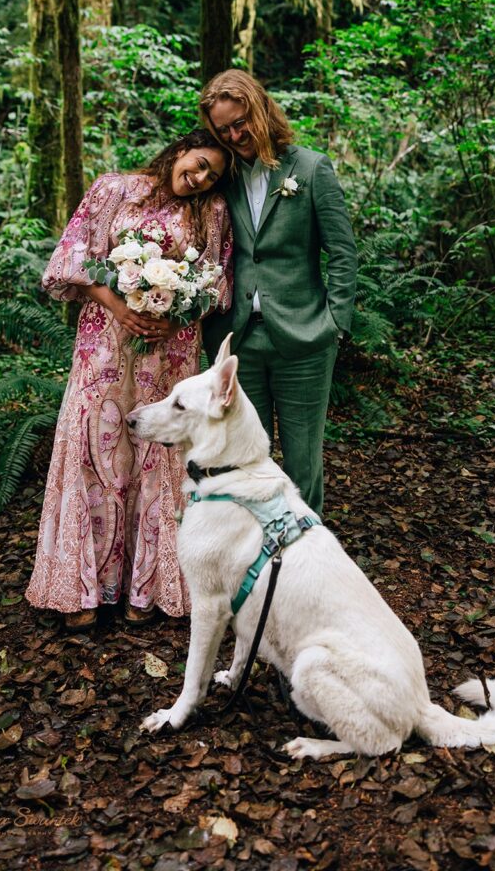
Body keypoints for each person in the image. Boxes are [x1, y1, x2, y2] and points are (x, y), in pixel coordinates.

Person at [25, 129, 233, 629]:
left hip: (171, 351)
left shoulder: (212, 213)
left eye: (211, 175)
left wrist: (179, 313)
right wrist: (121, 304)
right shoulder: (113, 189)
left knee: (158, 454)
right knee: (97, 448)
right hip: (106, 343)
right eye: (199, 163)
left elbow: (218, 280)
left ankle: (149, 589)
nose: (200, 177)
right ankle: (81, 592)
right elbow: (72, 259)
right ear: (180, 150)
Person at [199, 70, 357, 517]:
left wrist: (334, 325)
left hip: (304, 340)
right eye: (223, 129)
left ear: (260, 109)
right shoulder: (221, 175)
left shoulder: (309, 168)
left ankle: (303, 567)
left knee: (302, 463)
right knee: (240, 460)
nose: (234, 135)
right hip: (236, 343)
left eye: (240, 122)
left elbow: (343, 252)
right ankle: (252, 564)